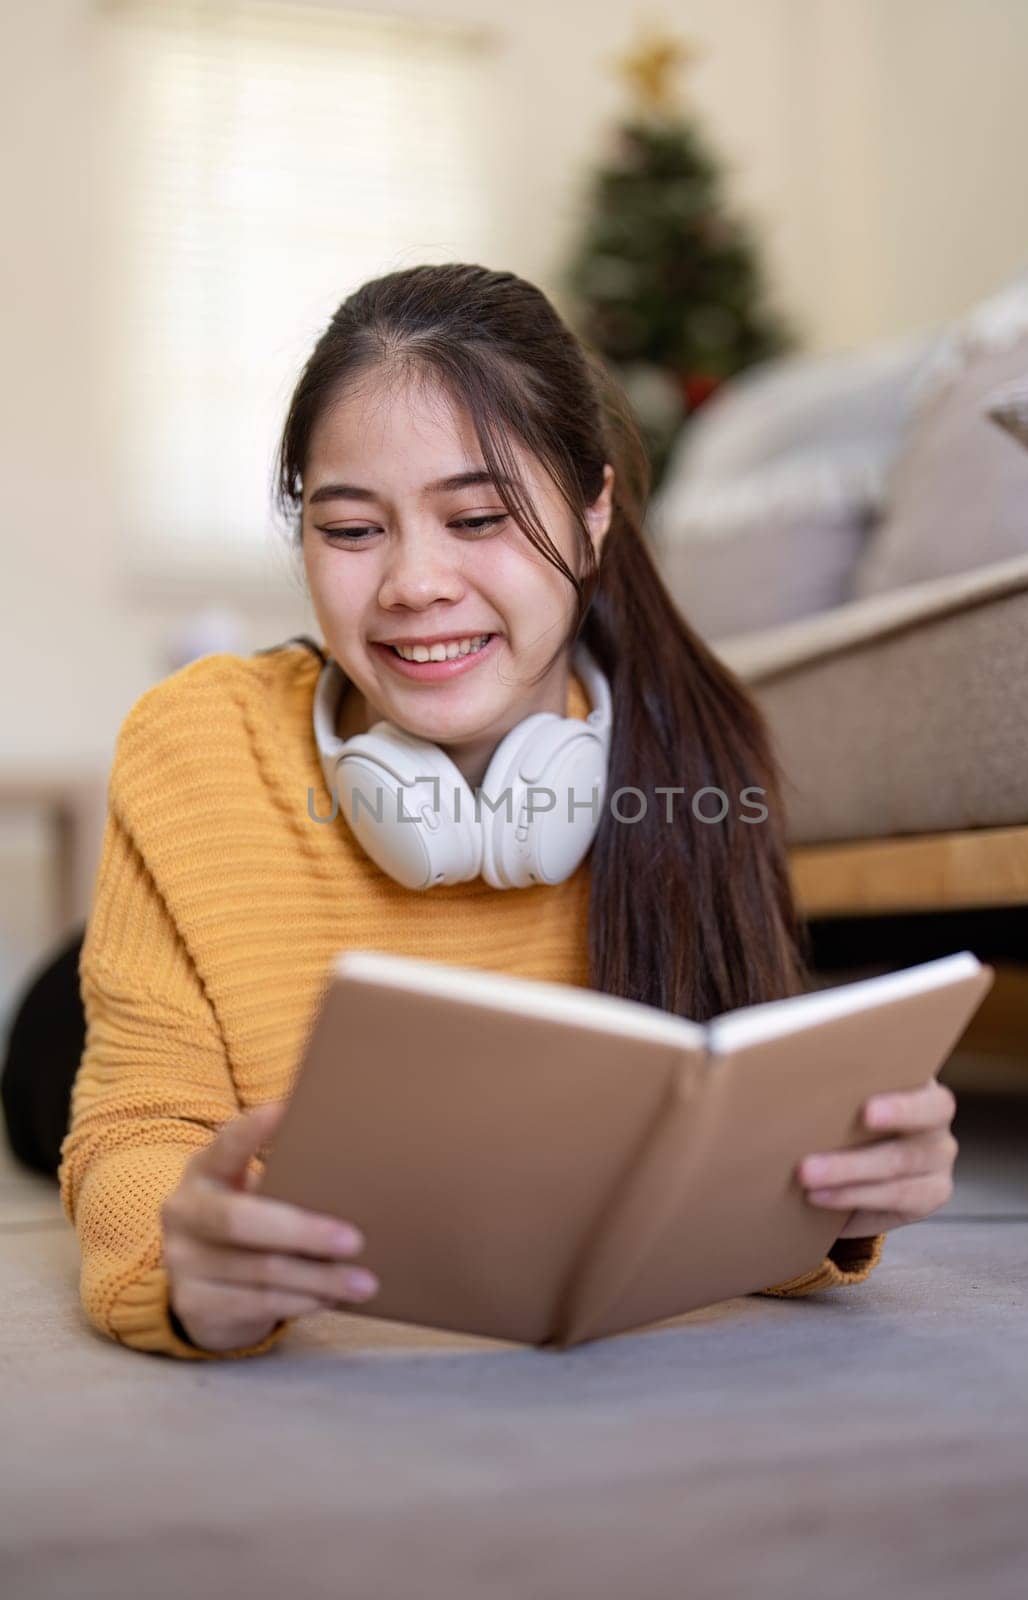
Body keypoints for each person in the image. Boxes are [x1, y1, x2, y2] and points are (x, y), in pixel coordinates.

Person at [53, 263, 958, 1360]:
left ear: (594, 511)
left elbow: (720, 1164)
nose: (413, 583)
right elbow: (138, 1130)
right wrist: (179, 1265)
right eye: (350, 531)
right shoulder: (194, 743)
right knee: (46, 1064)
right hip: (98, 1010)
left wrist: (836, 1190)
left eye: (476, 516)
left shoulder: (697, 754)